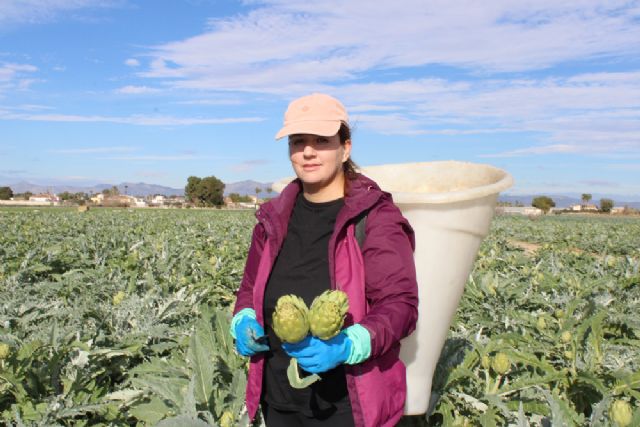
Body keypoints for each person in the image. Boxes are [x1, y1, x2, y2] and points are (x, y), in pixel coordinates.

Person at [230, 93, 418, 427]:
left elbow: (400, 304)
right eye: (298, 141)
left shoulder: (376, 219)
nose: (308, 151)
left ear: (345, 148)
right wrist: (243, 318)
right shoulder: (272, 219)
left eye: (321, 140)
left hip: (347, 405)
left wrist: (350, 344)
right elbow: (249, 288)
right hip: (278, 400)